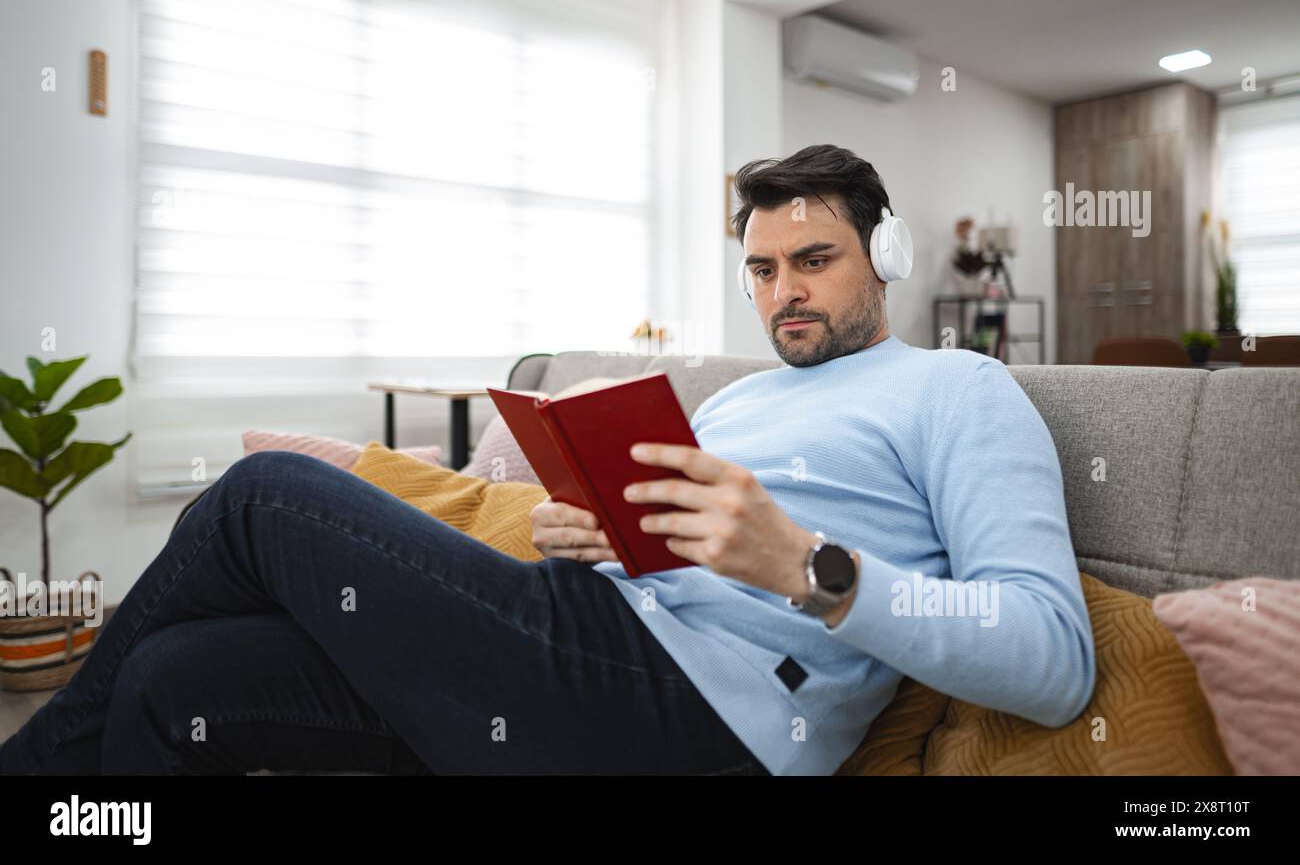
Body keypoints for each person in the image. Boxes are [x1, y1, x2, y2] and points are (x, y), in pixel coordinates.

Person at [0, 144, 1094, 776]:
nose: (782, 293)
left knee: (261, 497)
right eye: (759, 269)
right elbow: (672, 555)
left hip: (707, 716)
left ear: (882, 257)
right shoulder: (744, 395)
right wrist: (607, 543)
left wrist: (808, 565)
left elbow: (1053, 660)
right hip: (587, 647)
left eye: (813, 260)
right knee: (172, 681)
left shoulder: (959, 389)